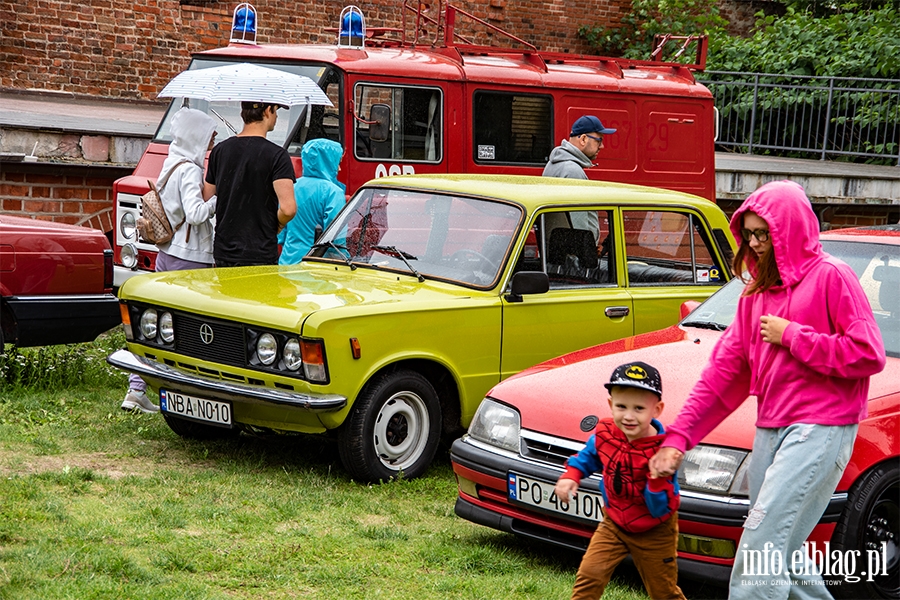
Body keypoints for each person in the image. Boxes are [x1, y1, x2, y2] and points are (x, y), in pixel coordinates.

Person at [649, 180, 886, 598]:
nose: (756, 243)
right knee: (783, 553)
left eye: (765, 234)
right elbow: (723, 375)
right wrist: (679, 437)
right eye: (750, 234)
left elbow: (868, 354)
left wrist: (793, 335)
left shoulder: (833, 277)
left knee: (761, 549)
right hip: (771, 428)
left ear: (789, 230)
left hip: (821, 429)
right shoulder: (753, 294)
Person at [554, 361, 685, 600]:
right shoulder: (606, 434)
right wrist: (571, 476)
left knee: (664, 592)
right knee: (589, 576)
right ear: (610, 404)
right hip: (613, 523)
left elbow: (660, 508)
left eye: (639, 409)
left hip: (655, 530)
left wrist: (656, 481)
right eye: (621, 406)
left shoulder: (663, 453)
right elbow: (589, 456)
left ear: (656, 410)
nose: (628, 416)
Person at [122, 107, 218, 413]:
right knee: (189, 330)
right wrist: (219, 198)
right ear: (196, 137)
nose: (211, 143)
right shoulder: (189, 170)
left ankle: (136, 388)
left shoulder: (170, 162)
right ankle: (184, 392)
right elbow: (195, 213)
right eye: (209, 137)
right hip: (189, 258)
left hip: (167, 253)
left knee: (155, 324)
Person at [203, 101, 297, 267]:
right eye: (276, 111)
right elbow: (288, 209)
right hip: (259, 253)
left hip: (224, 251)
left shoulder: (220, 150)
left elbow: (207, 196)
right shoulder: (277, 156)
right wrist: (278, 225)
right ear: (268, 111)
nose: (276, 116)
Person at [543, 115, 616, 241]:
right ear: (583, 139)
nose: (602, 146)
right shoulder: (573, 171)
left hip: (558, 250)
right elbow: (579, 226)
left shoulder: (554, 164)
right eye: (599, 140)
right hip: (575, 256)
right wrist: (586, 251)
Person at [277, 138, 345, 264]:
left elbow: (281, 234)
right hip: (316, 268)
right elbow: (336, 238)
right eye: (337, 162)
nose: (339, 168)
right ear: (328, 161)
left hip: (287, 263)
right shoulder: (333, 192)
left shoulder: (292, 187)